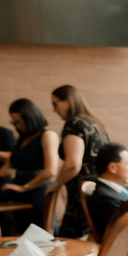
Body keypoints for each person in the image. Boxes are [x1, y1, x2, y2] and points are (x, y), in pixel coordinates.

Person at [51, 85, 108, 239]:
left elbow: (73, 164)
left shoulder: (74, 124)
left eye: (55, 104)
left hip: (80, 194)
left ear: (68, 101)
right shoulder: (95, 123)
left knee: (71, 243)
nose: (54, 109)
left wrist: (56, 184)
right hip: (98, 190)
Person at [0, 98, 60, 233]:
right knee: (22, 232)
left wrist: (24, 188)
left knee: (41, 232)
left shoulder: (47, 135)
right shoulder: (21, 138)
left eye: (21, 122)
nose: (18, 126)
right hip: (18, 189)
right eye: (15, 123)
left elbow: (51, 171)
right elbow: (9, 166)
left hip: (37, 189)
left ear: (31, 117)